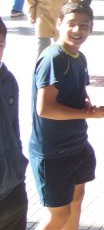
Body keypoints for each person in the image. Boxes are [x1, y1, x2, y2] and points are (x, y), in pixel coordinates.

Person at [30, 2, 104, 230]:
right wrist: (87, 115)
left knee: (76, 202)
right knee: (59, 214)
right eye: (71, 24)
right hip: (53, 151)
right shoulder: (53, 58)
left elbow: (79, 92)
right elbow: (45, 108)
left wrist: (90, 107)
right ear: (58, 24)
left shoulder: (79, 57)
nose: (78, 30)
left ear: (91, 28)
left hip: (77, 144)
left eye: (84, 25)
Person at [0, 18, 28, 230]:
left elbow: (14, 128)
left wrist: (18, 167)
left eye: (0, 44)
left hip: (13, 188)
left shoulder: (8, 80)